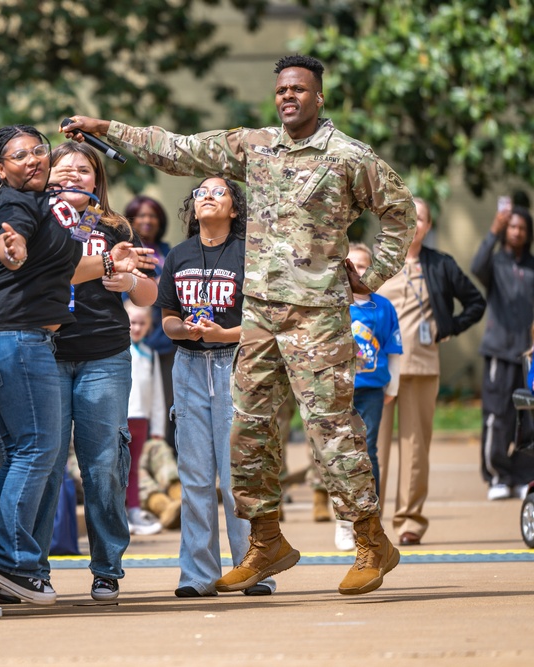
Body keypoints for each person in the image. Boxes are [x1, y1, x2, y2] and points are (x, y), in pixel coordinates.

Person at [66, 53, 416, 595]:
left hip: (317, 318)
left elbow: (400, 210)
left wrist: (375, 273)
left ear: (318, 97)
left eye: (299, 89)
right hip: (258, 316)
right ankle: (267, 541)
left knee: (331, 433)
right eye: (281, 91)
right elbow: (177, 149)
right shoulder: (256, 147)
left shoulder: (348, 157)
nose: (289, 97)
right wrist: (105, 129)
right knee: (247, 435)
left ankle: (371, 541)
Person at [0, 125, 153, 605]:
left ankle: (77, 567)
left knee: (84, 461)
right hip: (32, 347)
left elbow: (129, 288)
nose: (41, 162)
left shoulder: (97, 225)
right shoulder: (26, 206)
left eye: (40, 151)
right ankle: (18, 565)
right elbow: (11, 247)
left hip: (81, 350)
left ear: (96, 178)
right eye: (25, 156)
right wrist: (10, 249)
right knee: (38, 459)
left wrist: (118, 271)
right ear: (5, 169)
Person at [39, 140, 159, 602]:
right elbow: (46, 274)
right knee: (45, 464)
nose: (72, 176)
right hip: (46, 352)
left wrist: (130, 281)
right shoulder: (34, 218)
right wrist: (105, 265)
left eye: (83, 170)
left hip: (105, 354)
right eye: (63, 169)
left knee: (104, 462)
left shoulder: (115, 225)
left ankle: (107, 568)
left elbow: (147, 295)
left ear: (98, 180)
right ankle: (33, 567)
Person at [157, 176, 274, 597]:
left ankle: (253, 569)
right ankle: (198, 575)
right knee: (195, 479)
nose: (207, 196)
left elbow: (262, 321)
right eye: (201, 192)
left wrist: (223, 335)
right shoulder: (179, 255)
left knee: (239, 477)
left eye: (218, 192)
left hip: (234, 365)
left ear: (235, 209)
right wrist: (182, 330)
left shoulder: (248, 254)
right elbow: (168, 316)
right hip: (188, 365)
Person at [376, 198, 484, 545]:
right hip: (377, 368)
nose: (414, 222)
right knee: (372, 447)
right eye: (408, 215)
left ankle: (409, 521)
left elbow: (476, 302)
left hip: (421, 365)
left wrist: (449, 327)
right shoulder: (378, 263)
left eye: (420, 217)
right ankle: (368, 522)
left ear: (428, 226)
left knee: (415, 446)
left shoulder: (440, 264)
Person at [336, 243, 403, 551]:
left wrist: (393, 386)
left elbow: (393, 348)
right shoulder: (335, 305)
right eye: (352, 265)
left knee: (369, 451)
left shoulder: (384, 307)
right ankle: (344, 520)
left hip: (373, 389)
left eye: (364, 266)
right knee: (339, 454)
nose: (358, 271)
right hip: (339, 390)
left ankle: (369, 516)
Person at [471, 204, 534, 499]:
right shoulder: (495, 264)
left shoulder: (532, 267)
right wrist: (494, 229)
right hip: (498, 352)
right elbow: (475, 266)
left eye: (522, 227)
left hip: (528, 356)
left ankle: (523, 476)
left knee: (528, 417)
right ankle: (497, 476)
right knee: (497, 416)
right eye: (512, 227)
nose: (517, 231)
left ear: (528, 233)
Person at [125, 196, 177, 448]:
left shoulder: (168, 252)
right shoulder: (123, 249)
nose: (147, 220)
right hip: (133, 335)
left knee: (165, 400)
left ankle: (162, 461)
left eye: (152, 215)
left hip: (165, 339)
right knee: (133, 400)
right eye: (141, 215)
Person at [126, 302, 170, 529]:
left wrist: (158, 429)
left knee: (134, 468)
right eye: (132, 322)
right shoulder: (118, 351)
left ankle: (134, 510)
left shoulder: (150, 354)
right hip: (120, 419)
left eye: (142, 323)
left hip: (140, 420)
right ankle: (119, 513)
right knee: (115, 468)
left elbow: (157, 394)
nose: (136, 327)